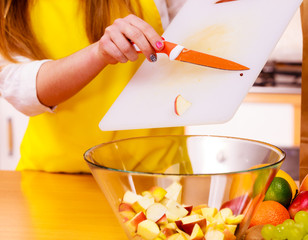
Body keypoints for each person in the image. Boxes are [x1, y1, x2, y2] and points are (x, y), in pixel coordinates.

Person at [0, 0, 186, 173]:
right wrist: (99, 53)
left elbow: (196, 31)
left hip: (156, 172)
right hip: (56, 175)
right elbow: (21, 89)